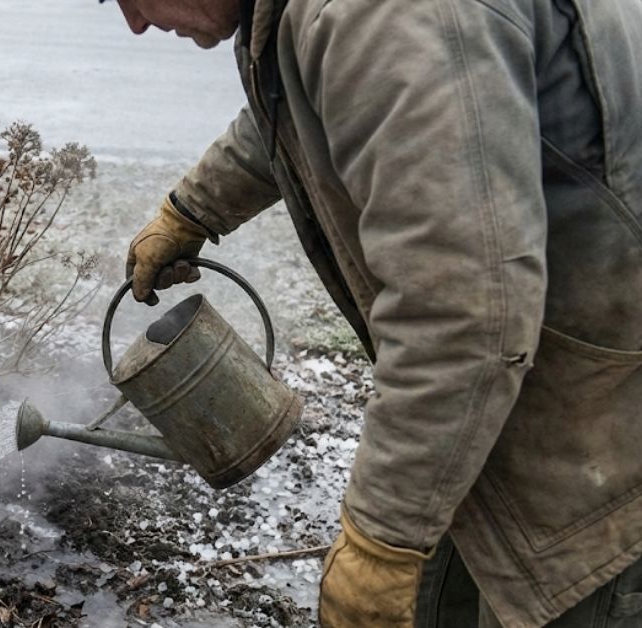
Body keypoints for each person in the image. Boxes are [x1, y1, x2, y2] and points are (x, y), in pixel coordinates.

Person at [104, 0, 642, 626]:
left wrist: (382, 538)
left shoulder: (387, 14)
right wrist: (190, 209)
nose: (133, 22)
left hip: (595, 451)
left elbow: (461, 310)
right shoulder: (321, 18)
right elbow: (305, 104)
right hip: (500, 410)